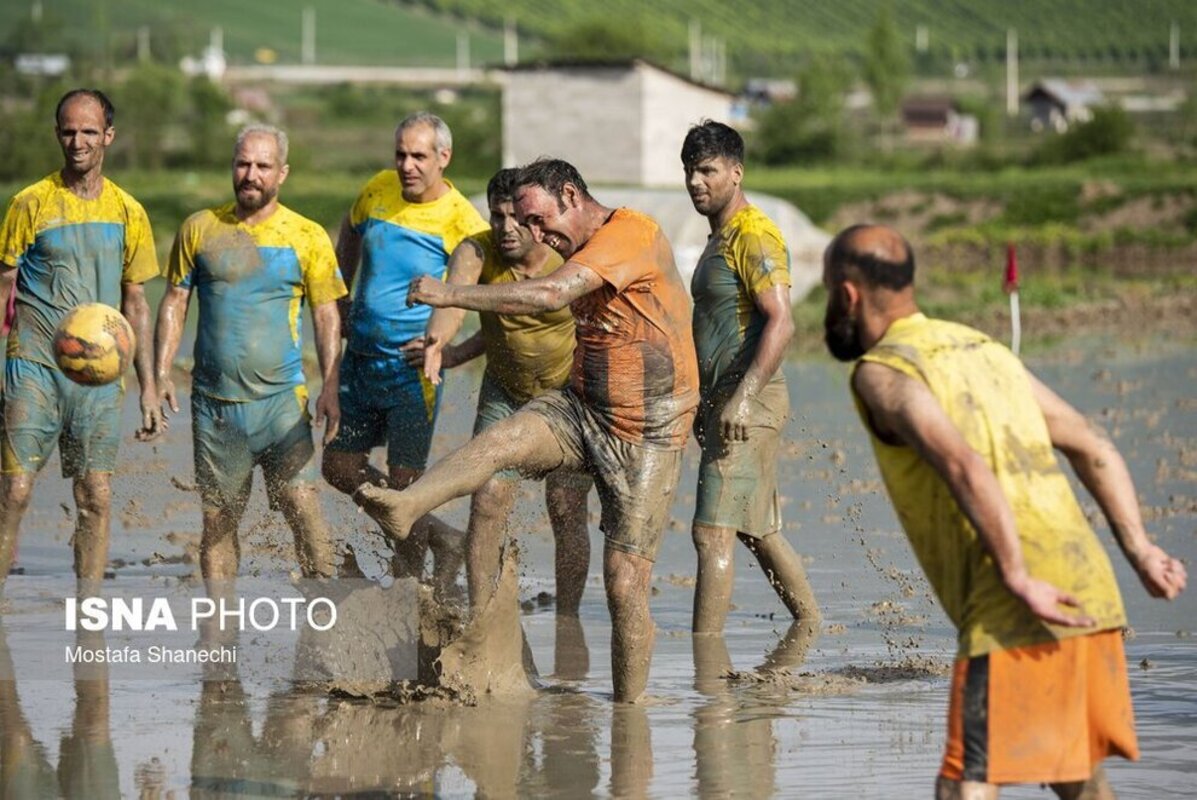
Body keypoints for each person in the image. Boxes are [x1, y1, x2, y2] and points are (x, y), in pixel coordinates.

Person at [822, 223, 1187, 799]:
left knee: (967, 782)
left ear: (847, 294)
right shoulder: (983, 349)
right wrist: (1140, 551)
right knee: (1077, 779)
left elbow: (963, 464)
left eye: (826, 294)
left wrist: (1017, 577)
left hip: (1015, 597)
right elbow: (1093, 443)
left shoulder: (883, 371)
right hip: (1090, 589)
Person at [354, 158, 699, 703]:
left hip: (647, 429)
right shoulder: (506, 247)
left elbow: (547, 296)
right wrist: (449, 343)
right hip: (579, 407)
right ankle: (407, 505)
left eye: (539, 221)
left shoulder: (630, 233)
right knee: (502, 442)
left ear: (570, 195)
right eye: (522, 223)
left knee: (624, 578)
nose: (535, 235)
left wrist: (449, 295)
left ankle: (628, 710)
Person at [153, 124, 345, 580]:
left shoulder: (308, 235)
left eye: (262, 166)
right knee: (218, 522)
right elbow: (175, 301)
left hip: (282, 403)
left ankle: (325, 619)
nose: (250, 174)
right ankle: (220, 637)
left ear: (282, 172)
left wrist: (331, 386)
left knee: (304, 509)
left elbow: (326, 316)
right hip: (216, 408)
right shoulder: (199, 228)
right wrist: (160, 372)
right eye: (243, 163)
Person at [0, 89, 162, 589]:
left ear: (108, 137)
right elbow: (3, 287)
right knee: (16, 491)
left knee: (95, 494)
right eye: (69, 131)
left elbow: (136, 302)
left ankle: (88, 610)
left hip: (98, 379)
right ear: (57, 134)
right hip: (34, 365)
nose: (78, 141)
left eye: (89, 131)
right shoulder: (30, 203)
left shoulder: (128, 211)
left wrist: (150, 387)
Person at [322, 111, 487, 592]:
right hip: (358, 360)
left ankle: (409, 588)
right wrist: (342, 291)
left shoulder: (464, 222)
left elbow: (474, 291)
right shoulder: (376, 189)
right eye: (401, 154)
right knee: (338, 467)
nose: (407, 165)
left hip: (412, 371)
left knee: (404, 485)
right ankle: (441, 536)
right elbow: (350, 231)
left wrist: (447, 346)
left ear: (443, 157)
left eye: (418, 156)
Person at [416, 168, 592, 618]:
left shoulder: (565, 256)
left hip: (566, 395)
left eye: (518, 217)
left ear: (536, 218)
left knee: (566, 507)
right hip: (506, 391)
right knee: (489, 497)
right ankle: (483, 615)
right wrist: (440, 345)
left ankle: (567, 620)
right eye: (498, 216)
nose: (507, 229)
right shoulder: (478, 250)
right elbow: (453, 300)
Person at [680, 120, 819, 634]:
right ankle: (809, 623)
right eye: (690, 171)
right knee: (757, 529)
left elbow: (783, 321)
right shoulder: (719, 237)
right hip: (724, 401)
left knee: (710, 534)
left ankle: (705, 660)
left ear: (736, 173)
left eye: (708, 170)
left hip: (749, 402)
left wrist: (742, 398)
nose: (696, 182)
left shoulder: (752, 233)